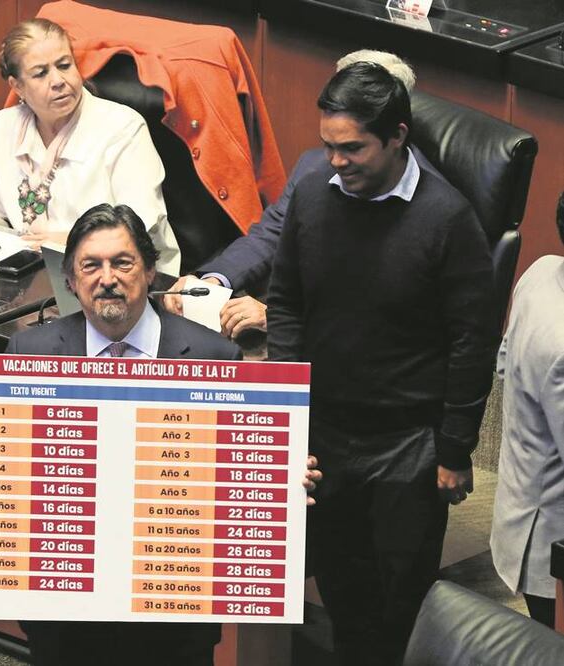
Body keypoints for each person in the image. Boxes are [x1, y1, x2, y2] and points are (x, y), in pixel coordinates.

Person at [0, 203, 322, 665]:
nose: (107, 278)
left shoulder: (213, 355)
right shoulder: (32, 350)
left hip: (174, 617)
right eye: (91, 265)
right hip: (64, 615)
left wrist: (280, 480)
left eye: (122, 263)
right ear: (71, 281)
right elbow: (5, 470)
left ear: (150, 272)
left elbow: (233, 477)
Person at [267, 63, 498, 664]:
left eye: (352, 148)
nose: (335, 161)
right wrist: (284, 412)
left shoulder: (448, 220)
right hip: (326, 434)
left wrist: (455, 450)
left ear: (397, 136)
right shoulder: (313, 195)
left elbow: (472, 342)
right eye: (328, 146)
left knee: (403, 604)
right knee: (343, 591)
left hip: (408, 444)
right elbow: (286, 302)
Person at [165, 50, 433, 343]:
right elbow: (271, 233)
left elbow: (386, 313)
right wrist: (213, 280)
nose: (337, 159)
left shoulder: (432, 209)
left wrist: (276, 318)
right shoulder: (313, 166)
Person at [0, 19, 181, 276]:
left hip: (119, 274)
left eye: (64, 65)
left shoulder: (123, 128)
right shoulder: (1, 130)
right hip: (29, 273)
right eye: (41, 73)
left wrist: (67, 242)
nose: (58, 80)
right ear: (17, 86)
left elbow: (138, 226)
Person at [490, 195, 564, 629]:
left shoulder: (541, 270)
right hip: (550, 542)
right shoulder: (561, 348)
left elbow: (503, 364)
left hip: (517, 503)